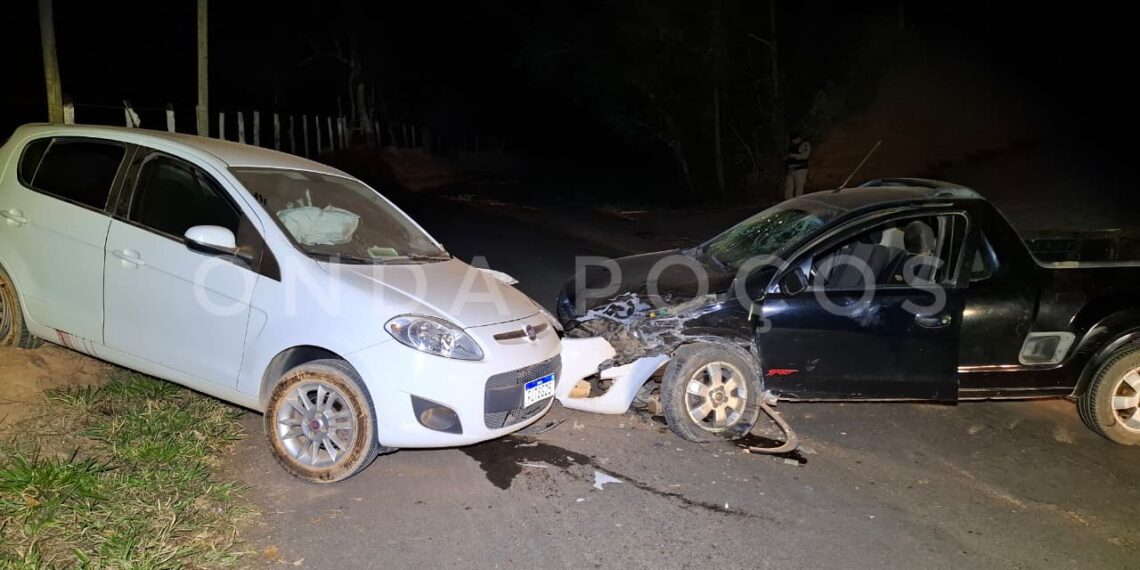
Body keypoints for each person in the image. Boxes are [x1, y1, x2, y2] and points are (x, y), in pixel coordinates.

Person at [784, 132, 811, 200]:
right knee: (788, 189)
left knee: (799, 189)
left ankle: (798, 204)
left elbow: (805, 156)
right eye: (792, 139)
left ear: (799, 138)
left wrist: (793, 156)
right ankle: (788, 204)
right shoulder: (791, 145)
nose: (793, 141)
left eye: (795, 139)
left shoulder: (805, 144)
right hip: (791, 170)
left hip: (800, 170)